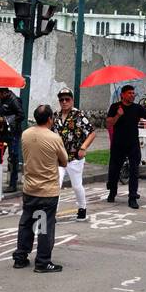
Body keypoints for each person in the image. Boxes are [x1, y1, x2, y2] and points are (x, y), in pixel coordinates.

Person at [13, 104, 67, 273]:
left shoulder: (26, 134)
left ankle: (21, 257)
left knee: (26, 223)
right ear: (50, 118)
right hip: (47, 190)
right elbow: (64, 160)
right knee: (44, 226)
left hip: (29, 187)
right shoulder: (54, 138)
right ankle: (43, 261)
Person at [105, 85, 146, 208]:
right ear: (123, 95)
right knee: (114, 170)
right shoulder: (115, 107)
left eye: (133, 93)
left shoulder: (137, 108)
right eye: (129, 93)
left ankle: (132, 197)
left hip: (133, 144)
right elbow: (109, 124)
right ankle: (112, 192)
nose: (132, 95)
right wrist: (118, 115)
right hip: (118, 144)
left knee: (134, 171)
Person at [54, 87, 95, 219]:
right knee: (56, 185)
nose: (64, 102)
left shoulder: (79, 115)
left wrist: (83, 148)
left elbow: (92, 133)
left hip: (74, 157)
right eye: (62, 100)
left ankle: (82, 207)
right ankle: (52, 213)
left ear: (72, 100)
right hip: (59, 158)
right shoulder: (56, 116)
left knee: (77, 186)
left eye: (67, 99)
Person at [0, 87, 24, 191]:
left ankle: (13, 184)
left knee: (13, 158)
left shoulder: (14, 100)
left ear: (4, 92)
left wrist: (7, 120)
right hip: (3, 132)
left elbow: (21, 115)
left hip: (13, 133)